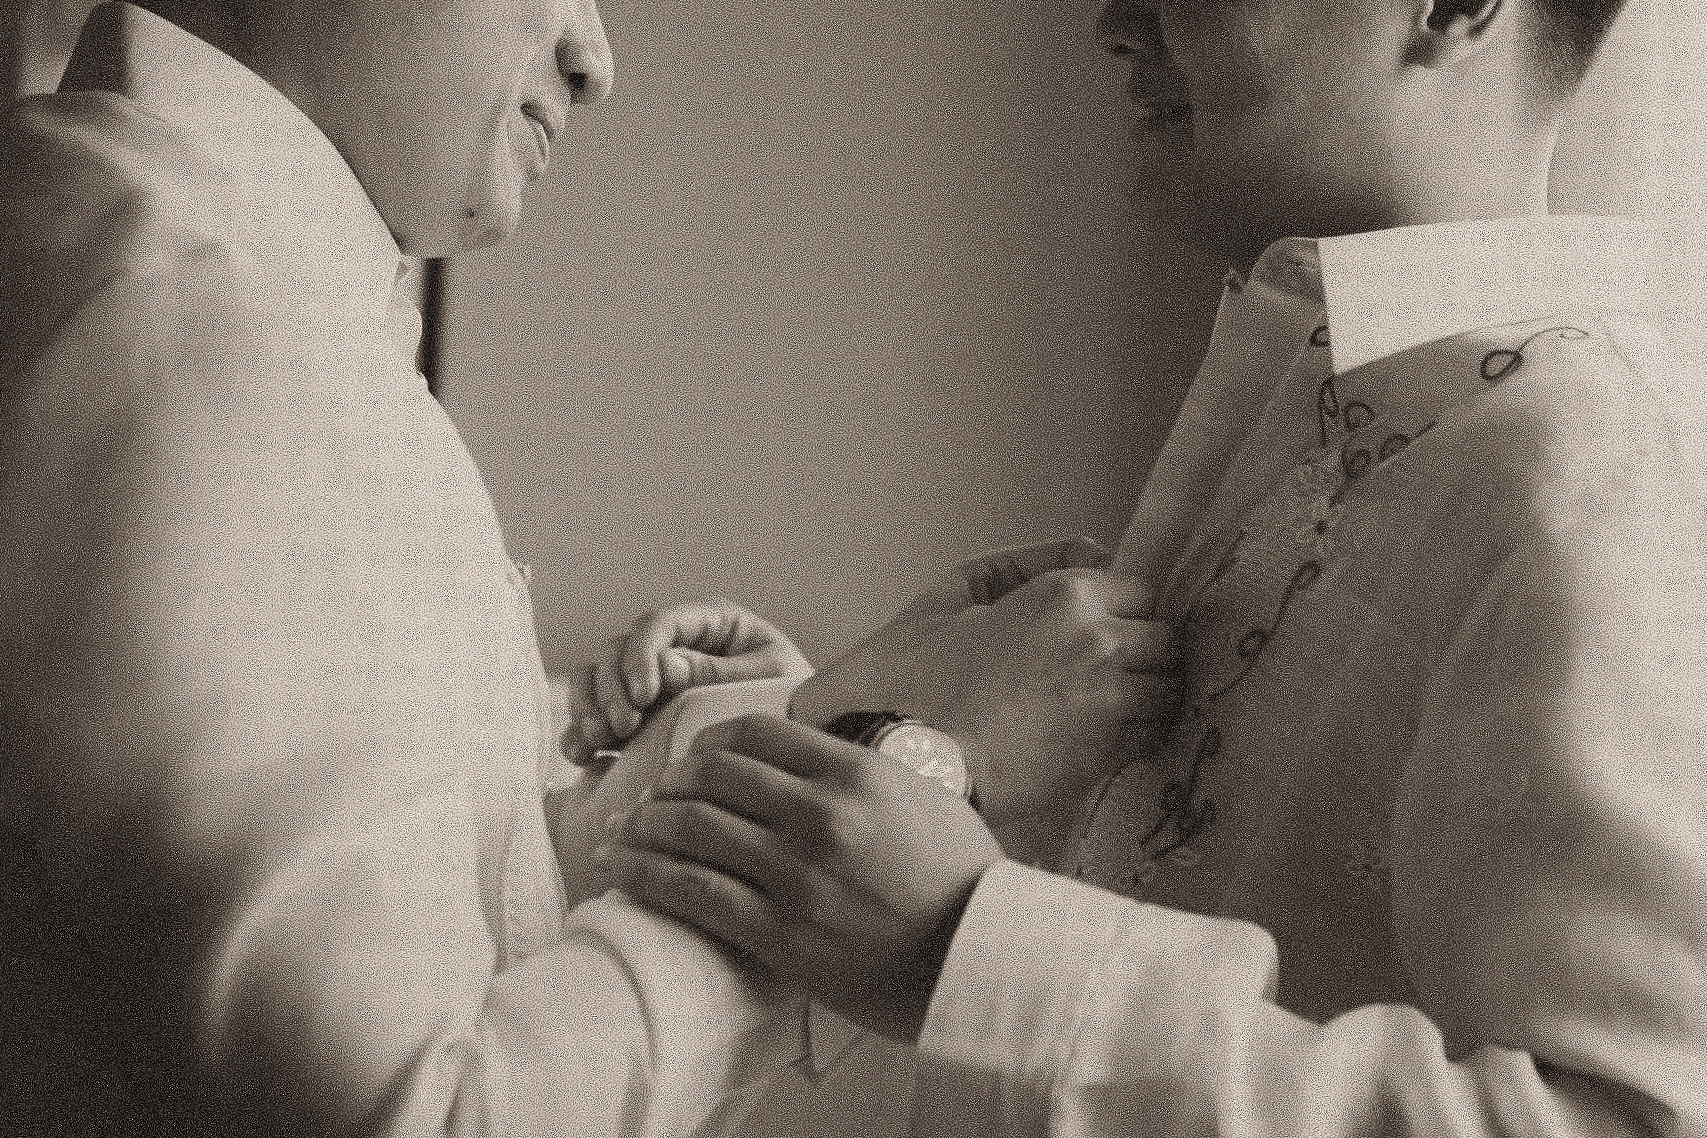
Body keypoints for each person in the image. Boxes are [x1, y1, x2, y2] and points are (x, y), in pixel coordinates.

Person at [599, 0, 1707, 1133]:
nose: (1115, 20)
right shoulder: (1340, 393)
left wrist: (962, 947)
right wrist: (877, 719)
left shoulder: (1600, 468)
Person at [0, 2, 801, 1134]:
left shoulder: (174, 263)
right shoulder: (218, 338)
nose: (594, 60)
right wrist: (827, 870)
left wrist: (677, 785)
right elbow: (418, 1114)